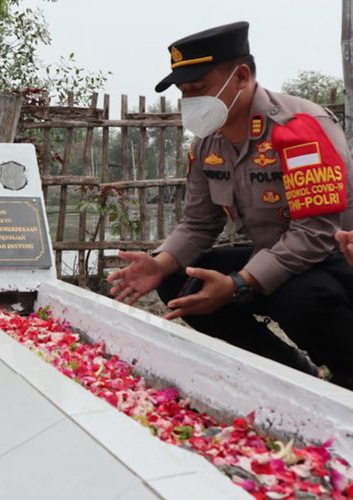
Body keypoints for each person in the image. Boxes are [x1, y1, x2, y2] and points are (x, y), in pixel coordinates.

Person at [108, 21, 353, 388]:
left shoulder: (298, 129)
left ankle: (346, 375)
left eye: (199, 89)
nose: (191, 101)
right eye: (184, 92)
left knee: (298, 297)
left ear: (240, 76)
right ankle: (287, 371)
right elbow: (198, 223)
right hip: (270, 256)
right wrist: (158, 264)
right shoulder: (208, 143)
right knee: (180, 282)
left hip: (331, 263)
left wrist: (240, 283)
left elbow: (316, 232)